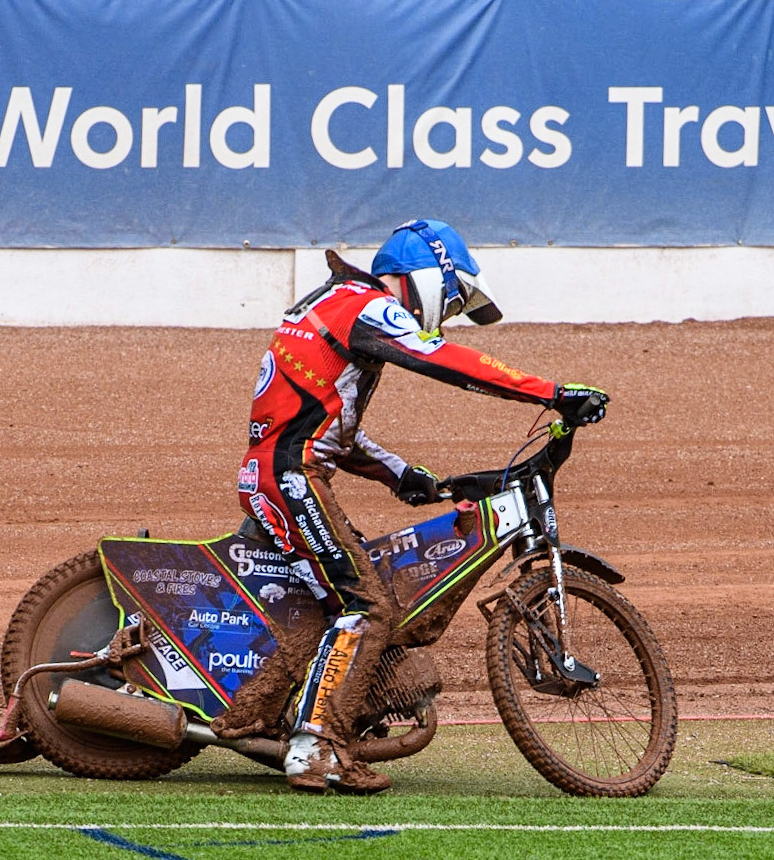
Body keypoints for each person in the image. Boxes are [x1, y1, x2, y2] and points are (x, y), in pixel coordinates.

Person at [218, 218, 608, 793]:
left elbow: (326, 425)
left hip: (284, 471)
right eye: (451, 300)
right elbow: (443, 360)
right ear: (428, 276)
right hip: (290, 477)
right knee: (368, 606)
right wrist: (552, 393)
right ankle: (315, 748)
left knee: (345, 595)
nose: (445, 316)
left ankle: (277, 713)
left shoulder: (338, 304)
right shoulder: (366, 305)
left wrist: (402, 474)